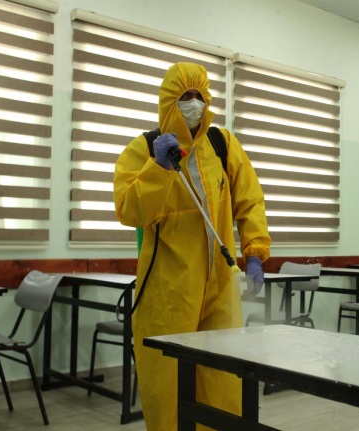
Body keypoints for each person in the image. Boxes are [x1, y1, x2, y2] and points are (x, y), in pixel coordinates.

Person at [113, 62, 270, 431]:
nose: (194, 103)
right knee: (167, 387)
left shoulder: (223, 143)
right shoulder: (145, 148)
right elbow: (128, 209)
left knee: (223, 380)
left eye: (200, 95)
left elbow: (250, 199)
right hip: (167, 290)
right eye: (185, 96)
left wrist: (255, 250)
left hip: (220, 287)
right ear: (169, 101)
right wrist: (158, 169)